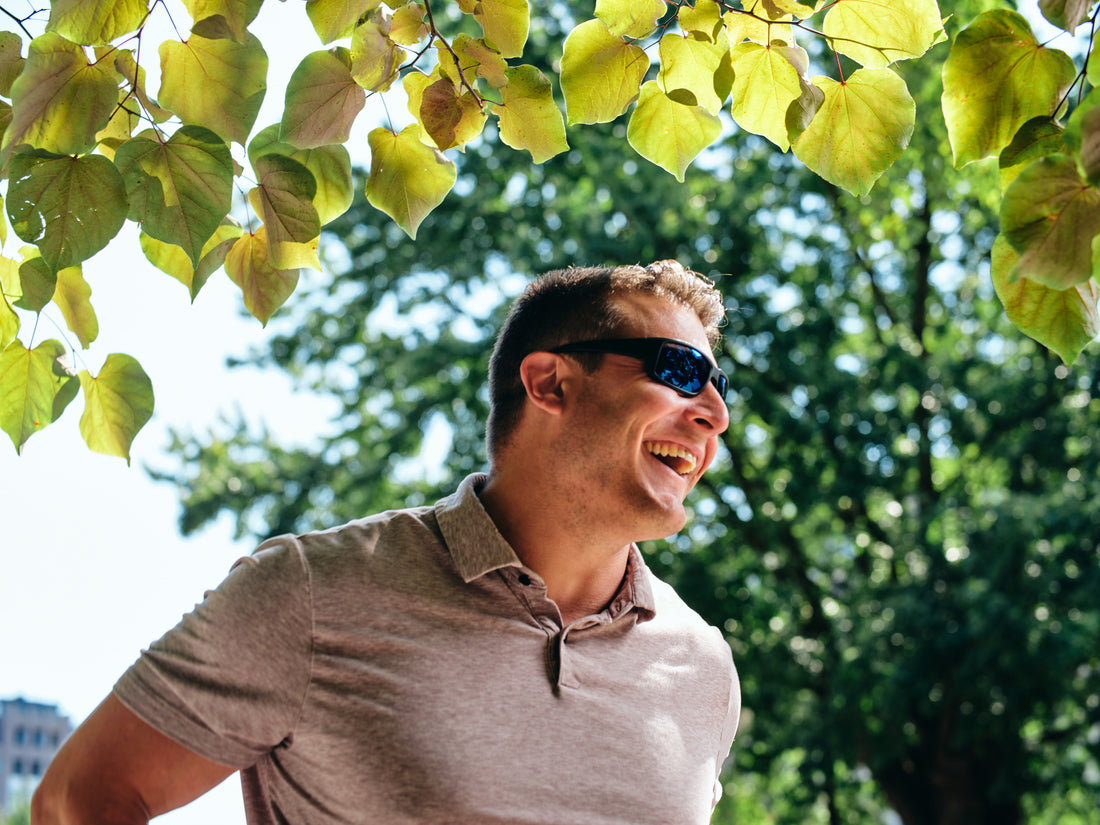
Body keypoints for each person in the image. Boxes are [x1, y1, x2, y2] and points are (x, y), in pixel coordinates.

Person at [32, 260, 741, 825]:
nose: (715, 413)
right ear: (550, 382)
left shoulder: (703, 669)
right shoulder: (312, 593)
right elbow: (77, 800)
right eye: (679, 371)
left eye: (719, 384)